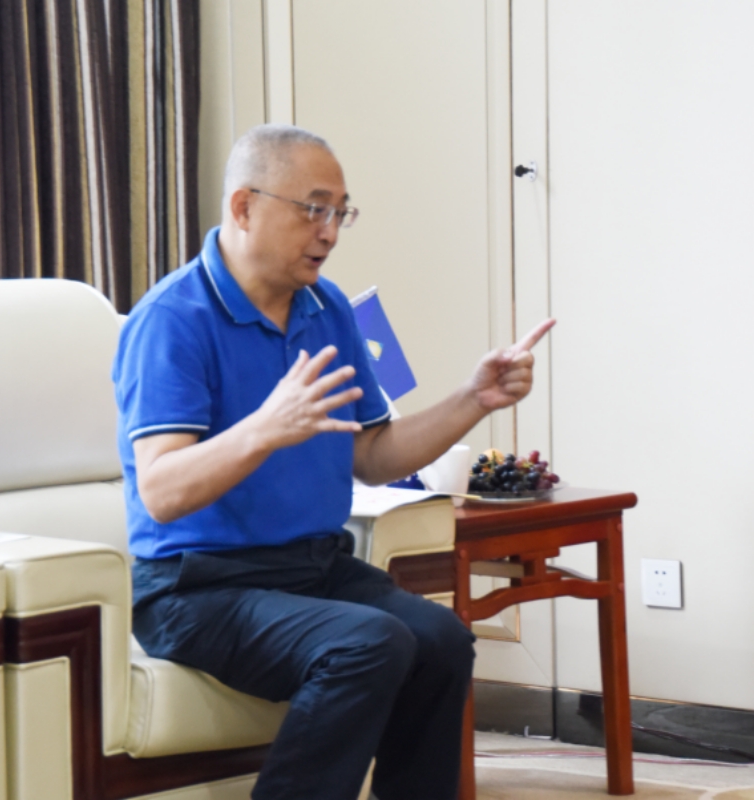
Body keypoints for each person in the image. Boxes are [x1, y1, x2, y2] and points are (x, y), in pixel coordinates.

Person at [112, 123, 555, 800]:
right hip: (195, 588)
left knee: (441, 638)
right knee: (368, 641)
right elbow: (163, 492)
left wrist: (474, 398)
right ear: (244, 207)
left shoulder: (327, 308)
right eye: (313, 210)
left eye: (340, 213)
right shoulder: (172, 320)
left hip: (311, 568)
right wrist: (264, 430)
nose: (329, 232)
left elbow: (372, 456)